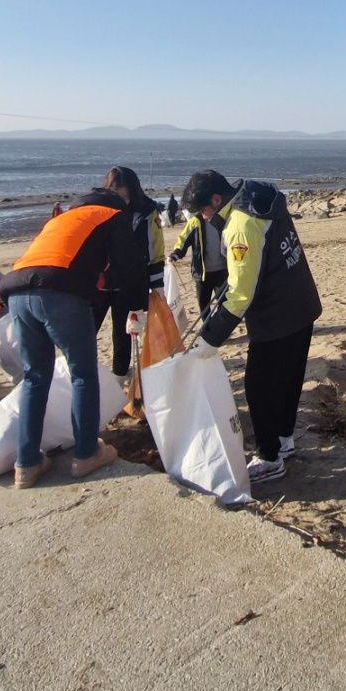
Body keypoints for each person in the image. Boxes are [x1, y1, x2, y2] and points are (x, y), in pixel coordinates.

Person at [0, 174, 150, 489]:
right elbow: (131, 267)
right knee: (83, 374)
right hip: (60, 295)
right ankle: (85, 454)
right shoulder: (113, 214)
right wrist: (136, 309)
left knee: (35, 377)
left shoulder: (67, 216)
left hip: (16, 291)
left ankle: (26, 464)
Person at [183, 169, 322, 483]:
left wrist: (211, 337)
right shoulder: (259, 198)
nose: (204, 219)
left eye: (203, 211)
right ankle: (284, 441)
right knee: (288, 379)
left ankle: (269, 457)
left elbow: (243, 293)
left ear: (216, 200)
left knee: (259, 389)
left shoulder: (242, 224)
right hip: (302, 303)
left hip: (277, 315)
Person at [103, 166, 164, 390]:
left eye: (122, 188)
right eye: (114, 188)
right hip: (101, 283)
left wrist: (158, 287)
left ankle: (120, 378)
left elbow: (156, 250)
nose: (118, 194)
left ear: (132, 188)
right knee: (87, 331)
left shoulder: (148, 211)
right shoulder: (101, 207)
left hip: (132, 282)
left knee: (126, 332)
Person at [169, 205, 229, 319]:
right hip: (202, 273)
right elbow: (183, 240)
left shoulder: (221, 220)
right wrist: (175, 255)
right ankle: (207, 330)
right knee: (204, 304)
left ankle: (219, 327)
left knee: (224, 301)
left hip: (222, 270)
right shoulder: (194, 222)